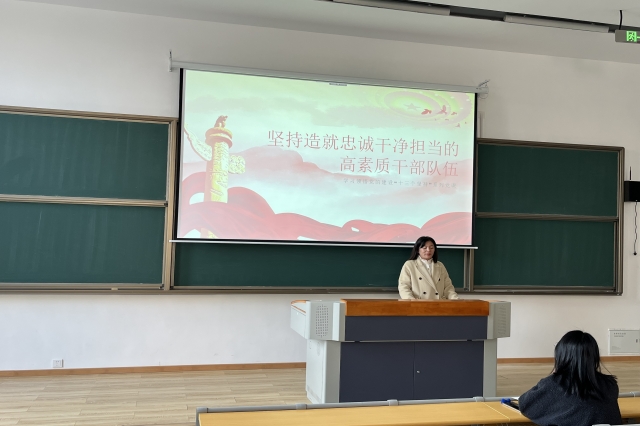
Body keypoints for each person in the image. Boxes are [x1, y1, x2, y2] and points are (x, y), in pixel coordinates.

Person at [519, 330, 622, 426]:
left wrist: (555, 374)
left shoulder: (554, 384)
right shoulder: (610, 385)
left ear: (561, 355)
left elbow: (525, 404)